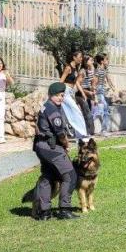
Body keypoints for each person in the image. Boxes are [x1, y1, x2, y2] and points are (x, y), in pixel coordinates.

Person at [32, 82, 79, 220]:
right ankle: (64, 209)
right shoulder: (53, 110)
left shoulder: (46, 106)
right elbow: (60, 134)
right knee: (70, 176)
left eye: (63, 95)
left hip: (41, 146)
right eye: (58, 95)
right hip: (51, 147)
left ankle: (44, 212)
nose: (61, 98)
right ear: (51, 95)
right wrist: (66, 145)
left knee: (48, 177)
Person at [60, 52, 90, 140]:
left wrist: (81, 93)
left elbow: (76, 82)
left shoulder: (76, 68)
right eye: (80, 57)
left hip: (71, 92)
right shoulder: (68, 68)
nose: (81, 59)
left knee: (69, 113)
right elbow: (61, 81)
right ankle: (81, 134)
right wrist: (60, 93)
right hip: (65, 91)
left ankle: (78, 134)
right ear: (74, 57)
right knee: (76, 111)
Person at [93, 54, 115, 135]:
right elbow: (94, 83)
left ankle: (103, 129)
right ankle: (103, 130)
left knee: (103, 110)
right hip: (98, 90)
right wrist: (94, 95)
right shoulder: (98, 70)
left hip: (102, 89)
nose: (108, 61)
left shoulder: (105, 69)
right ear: (102, 61)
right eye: (106, 59)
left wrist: (113, 87)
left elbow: (108, 78)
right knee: (105, 109)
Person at [77, 55, 96, 136]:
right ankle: (88, 132)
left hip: (88, 93)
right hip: (81, 94)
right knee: (87, 113)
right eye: (91, 60)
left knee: (89, 112)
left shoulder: (90, 70)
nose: (92, 62)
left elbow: (92, 84)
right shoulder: (82, 71)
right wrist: (84, 93)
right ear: (86, 61)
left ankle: (90, 132)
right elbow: (78, 84)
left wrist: (94, 96)